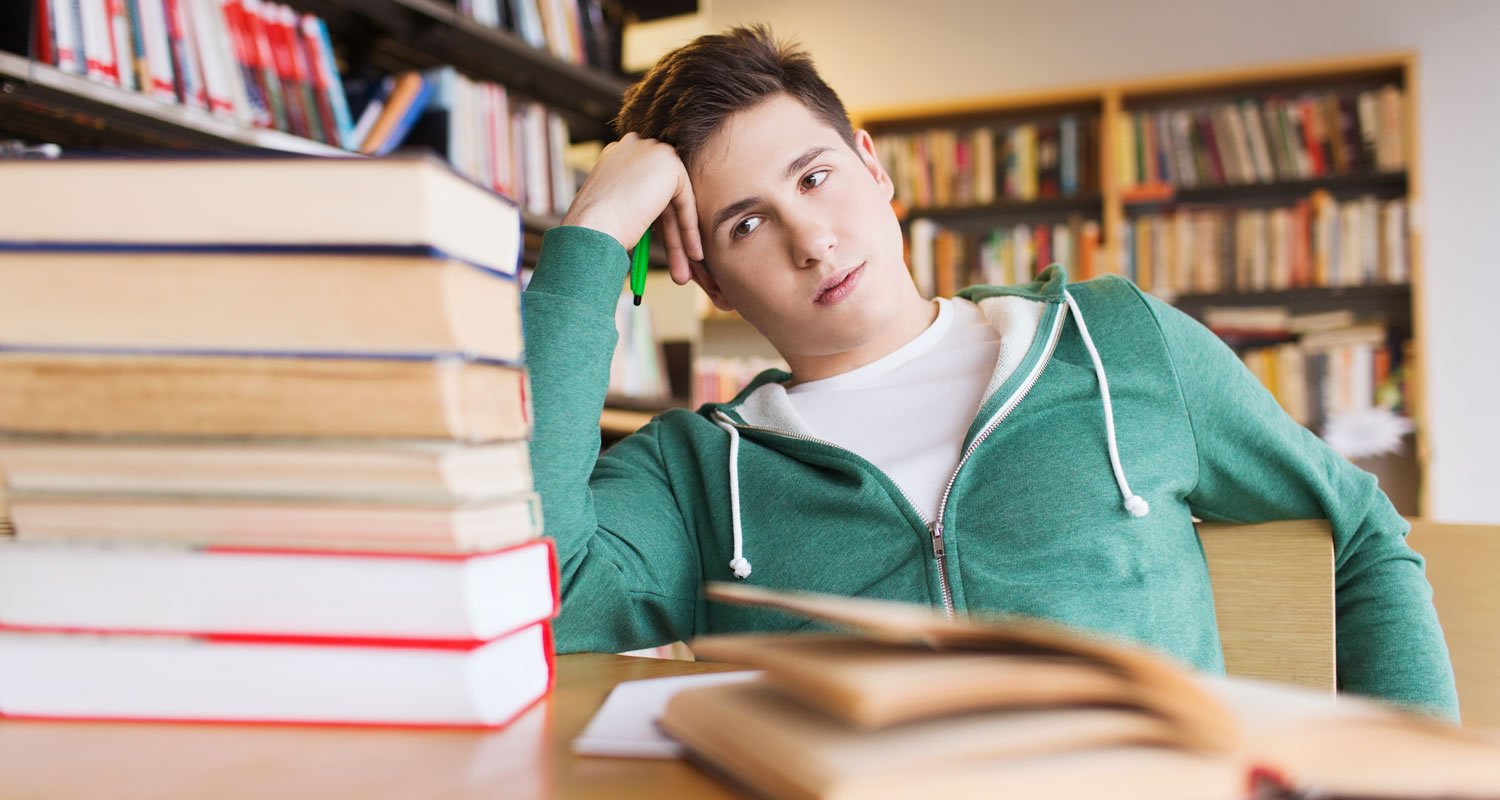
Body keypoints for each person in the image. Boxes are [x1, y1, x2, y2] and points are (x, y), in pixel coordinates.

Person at [521, 25, 1458, 717]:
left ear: (872, 167)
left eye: (815, 178)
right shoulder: (693, 472)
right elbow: (536, 603)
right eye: (747, 224)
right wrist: (593, 236)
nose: (812, 239)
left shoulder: (1115, 340)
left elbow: (1364, 532)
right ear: (711, 282)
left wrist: (1414, 782)